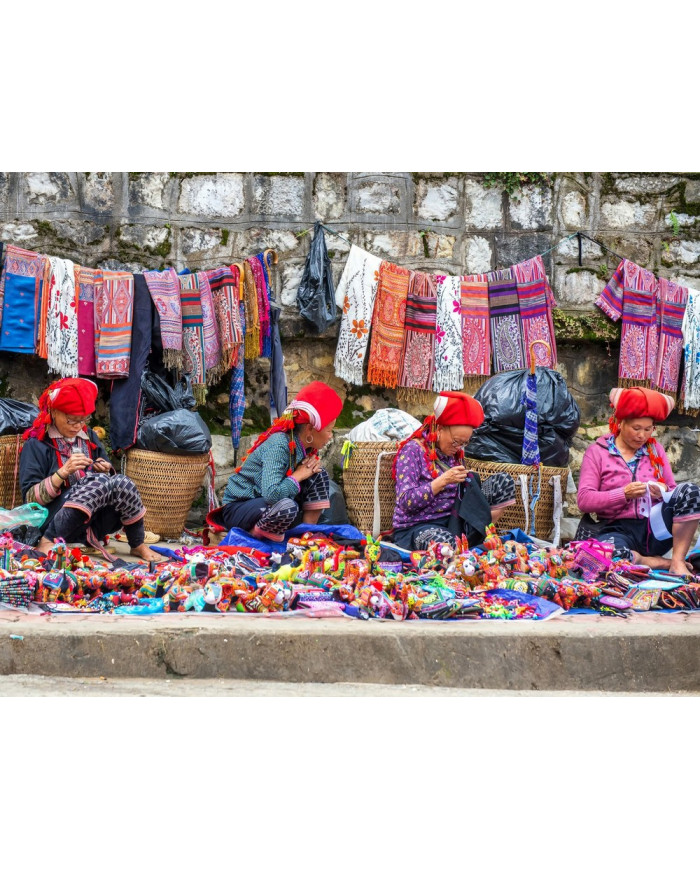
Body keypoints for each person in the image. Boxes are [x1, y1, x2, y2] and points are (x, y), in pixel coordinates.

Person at [19, 377, 165, 562]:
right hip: (51, 522)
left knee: (122, 482)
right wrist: (62, 473)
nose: (78, 426)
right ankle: (48, 541)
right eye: (72, 420)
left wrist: (104, 469)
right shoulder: (37, 444)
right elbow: (30, 500)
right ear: (54, 412)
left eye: (83, 420)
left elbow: (108, 480)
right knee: (97, 482)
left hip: (92, 523)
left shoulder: (88, 436)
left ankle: (137, 544)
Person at [577, 386, 700, 576]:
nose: (642, 435)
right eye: (636, 428)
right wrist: (622, 494)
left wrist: (663, 491)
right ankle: (656, 562)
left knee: (690, 491)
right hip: (616, 529)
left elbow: (675, 492)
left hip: (655, 529)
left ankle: (677, 561)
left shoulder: (655, 449)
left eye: (648, 429)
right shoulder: (598, 452)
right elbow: (584, 500)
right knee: (606, 557)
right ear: (620, 424)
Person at [391, 391, 516, 550]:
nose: (458, 448)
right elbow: (406, 501)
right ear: (440, 428)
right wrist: (443, 481)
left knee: (503, 483)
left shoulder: (455, 454)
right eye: (456, 442)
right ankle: (464, 545)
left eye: (464, 443)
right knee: (445, 543)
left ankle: (476, 536)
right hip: (419, 526)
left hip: (454, 521)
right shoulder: (413, 451)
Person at [221, 381, 343, 542]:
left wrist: (305, 474)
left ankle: (306, 537)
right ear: (309, 429)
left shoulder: (304, 448)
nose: (330, 436)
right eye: (328, 430)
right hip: (242, 508)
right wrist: (298, 476)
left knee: (319, 475)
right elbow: (271, 495)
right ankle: (252, 536)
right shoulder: (279, 444)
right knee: (286, 507)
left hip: (270, 507)